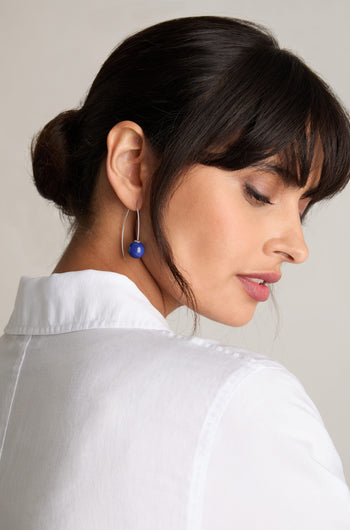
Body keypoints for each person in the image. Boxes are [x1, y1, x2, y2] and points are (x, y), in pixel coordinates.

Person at [0, 15, 350, 529]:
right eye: (260, 192)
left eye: (302, 208)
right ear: (132, 164)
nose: (295, 246)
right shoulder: (240, 401)